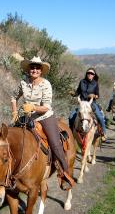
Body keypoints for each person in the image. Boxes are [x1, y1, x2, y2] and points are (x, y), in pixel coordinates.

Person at [11, 56, 74, 189]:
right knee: (11, 139)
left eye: (37, 68)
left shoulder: (46, 84)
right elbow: (14, 97)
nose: (34, 70)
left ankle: (65, 174)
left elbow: (46, 106)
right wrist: (15, 112)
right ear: (29, 69)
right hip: (27, 117)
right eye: (32, 67)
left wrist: (33, 107)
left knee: (55, 144)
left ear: (41, 70)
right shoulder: (23, 83)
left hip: (44, 117)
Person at [69, 67, 107, 141]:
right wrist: (73, 94)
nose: (90, 74)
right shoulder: (82, 82)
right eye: (88, 73)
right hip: (82, 103)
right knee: (71, 116)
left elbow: (98, 95)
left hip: (91, 103)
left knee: (100, 117)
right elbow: (78, 92)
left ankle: (103, 133)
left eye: (92, 73)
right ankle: (71, 133)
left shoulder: (95, 83)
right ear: (86, 74)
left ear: (94, 75)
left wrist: (93, 95)